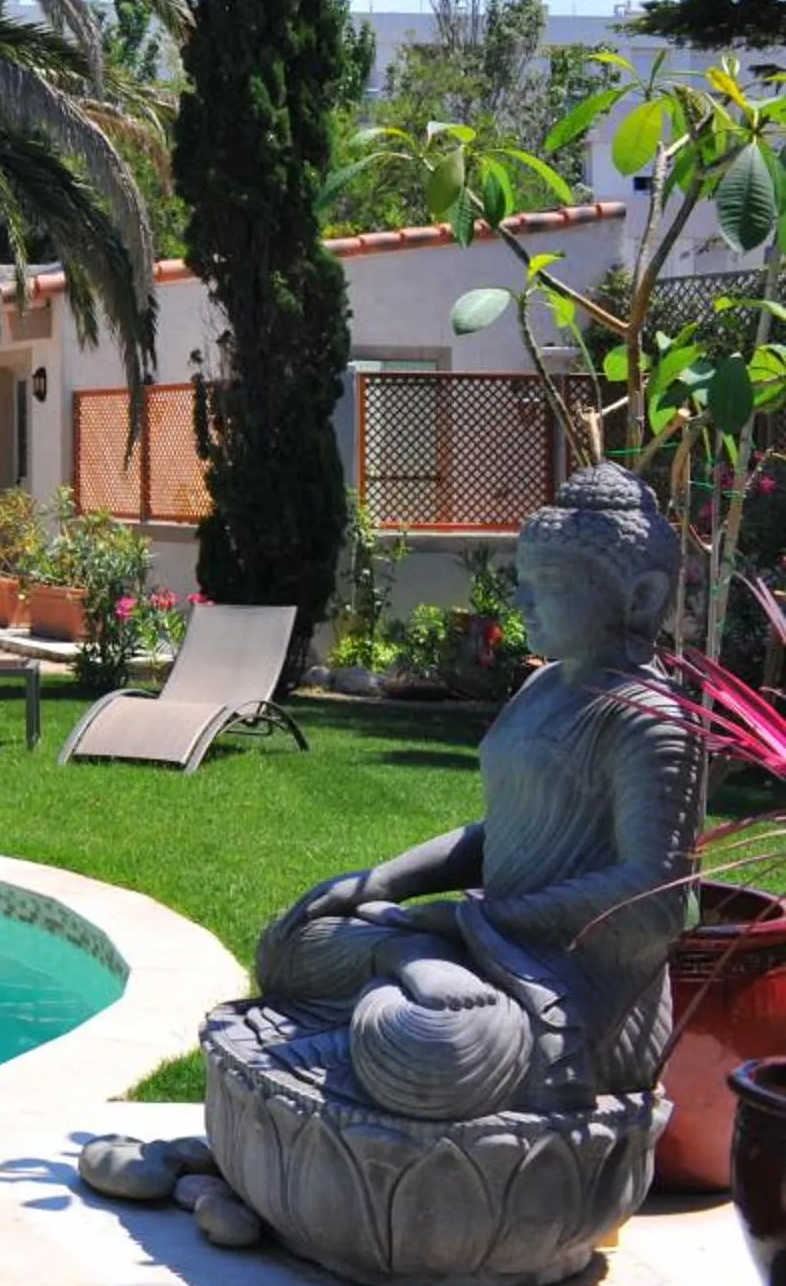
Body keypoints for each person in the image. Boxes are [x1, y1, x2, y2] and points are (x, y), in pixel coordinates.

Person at [252, 463, 707, 1122]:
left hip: (577, 991)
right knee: (292, 938)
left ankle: (395, 1008)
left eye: (546, 585)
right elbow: (503, 830)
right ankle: (408, 963)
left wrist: (484, 918)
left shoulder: (651, 721)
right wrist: (383, 882)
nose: (522, 603)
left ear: (640, 595)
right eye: (524, 582)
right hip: (487, 946)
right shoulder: (543, 687)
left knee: (441, 1037)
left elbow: (651, 899)